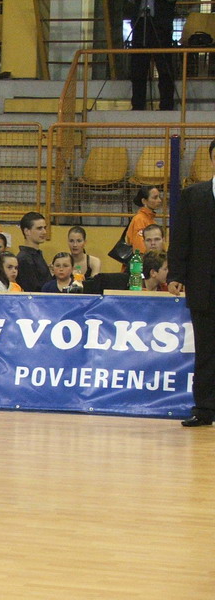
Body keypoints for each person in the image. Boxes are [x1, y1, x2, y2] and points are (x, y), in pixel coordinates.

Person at [168, 138, 215, 426]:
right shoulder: (193, 196)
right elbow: (181, 239)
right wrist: (176, 274)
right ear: (211, 159)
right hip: (204, 287)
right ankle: (205, 409)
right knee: (207, 350)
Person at [129, 0, 176, 111]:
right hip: (140, 24)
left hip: (161, 25)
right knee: (138, 68)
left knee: (164, 67)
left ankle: (166, 106)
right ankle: (138, 105)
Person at [16, 211, 51, 292]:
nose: (44, 232)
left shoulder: (36, 254)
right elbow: (32, 289)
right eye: (39, 228)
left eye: (44, 228)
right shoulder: (24, 259)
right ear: (27, 231)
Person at [126, 185, 160, 254]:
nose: (159, 200)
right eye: (155, 198)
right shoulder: (139, 219)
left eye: (159, 197)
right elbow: (140, 248)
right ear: (144, 201)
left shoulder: (150, 219)